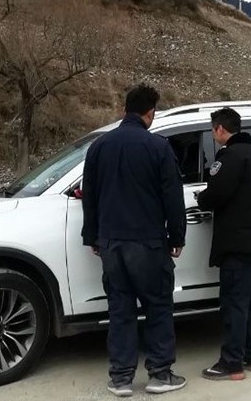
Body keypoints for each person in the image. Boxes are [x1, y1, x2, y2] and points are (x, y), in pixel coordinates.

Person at [81, 84, 188, 397]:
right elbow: (172, 197)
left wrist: (92, 236)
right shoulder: (158, 147)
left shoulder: (99, 146)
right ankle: (160, 375)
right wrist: (177, 236)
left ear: (124, 110)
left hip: (112, 244)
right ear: (150, 113)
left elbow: (91, 197)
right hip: (148, 244)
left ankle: (121, 378)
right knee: (158, 306)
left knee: (120, 310)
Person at [195, 107, 251, 381]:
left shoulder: (229, 157)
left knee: (234, 304)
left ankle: (231, 363)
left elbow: (217, 194)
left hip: (235, 244)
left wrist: (201, 198)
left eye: (212, 130)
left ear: (219, 129)